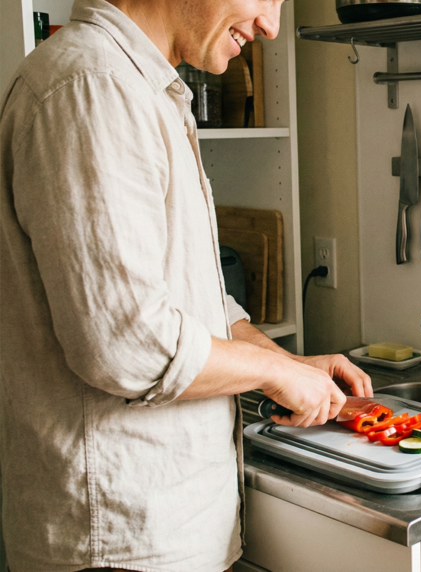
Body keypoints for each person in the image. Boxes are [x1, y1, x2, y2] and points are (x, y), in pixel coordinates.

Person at [0, 0, 372, 570]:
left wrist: (289, 366)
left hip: (161, 533)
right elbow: (126, 342)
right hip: (119, 542)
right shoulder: (91, 88)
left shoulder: (140, 87)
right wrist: (275, 373)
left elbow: (191, 301)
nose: (272, 26)